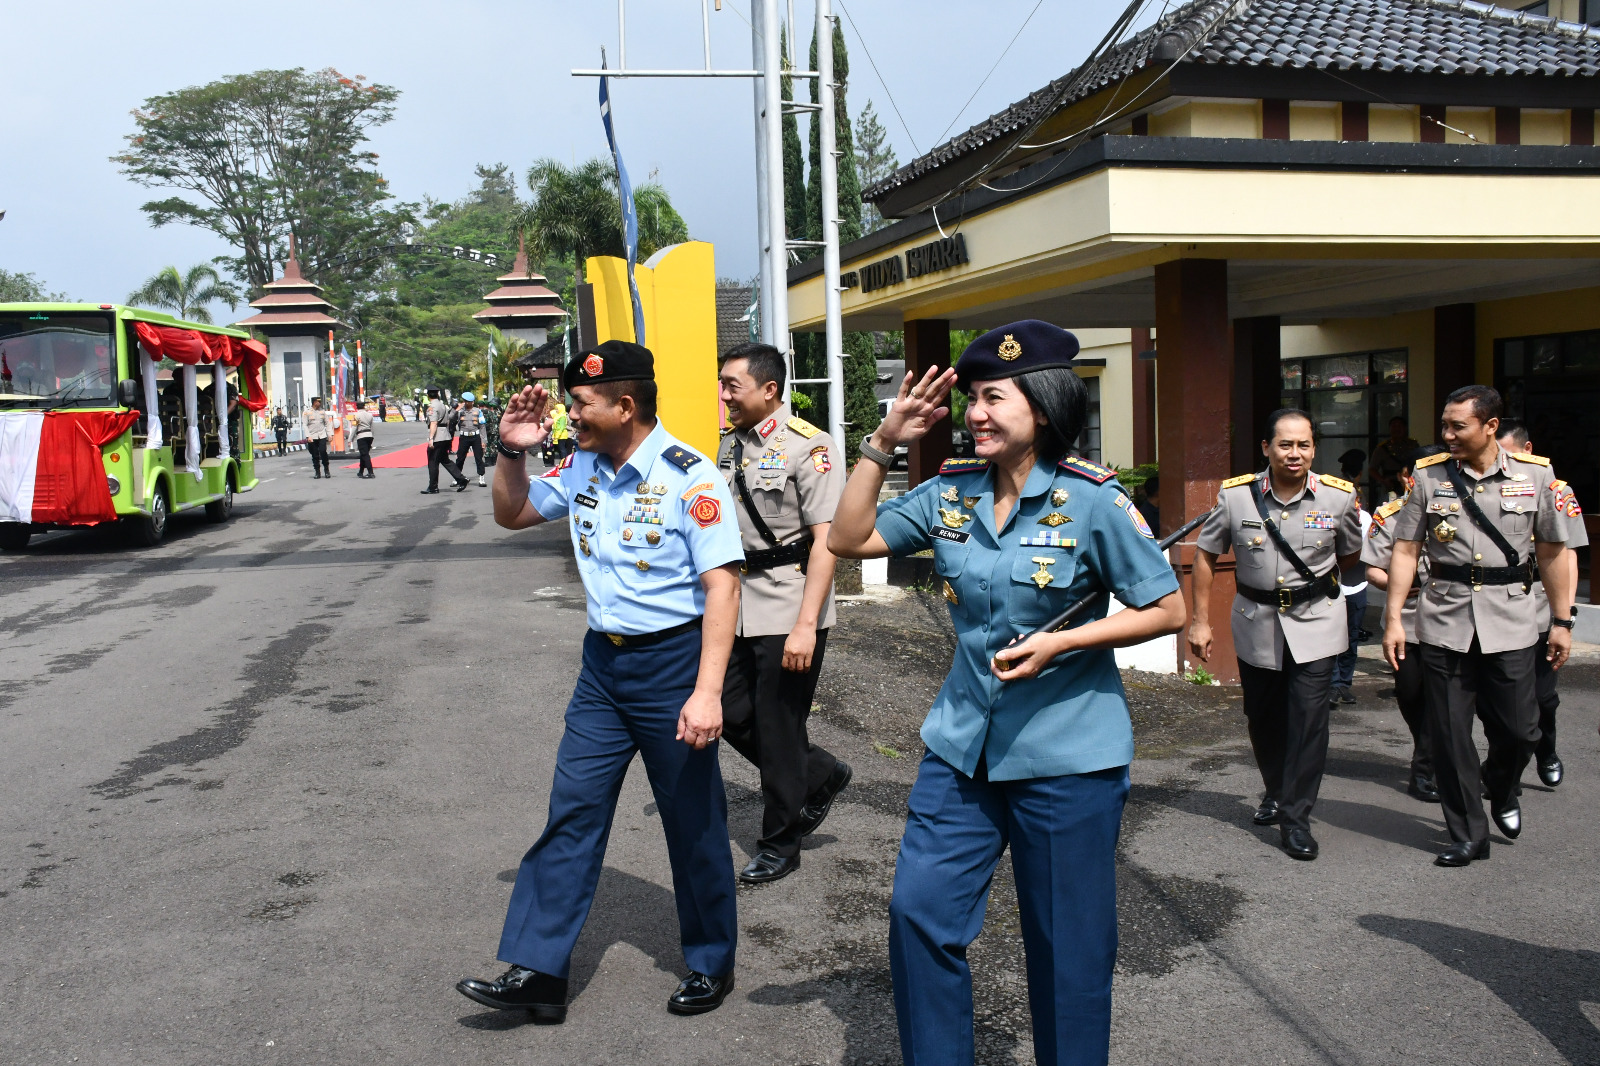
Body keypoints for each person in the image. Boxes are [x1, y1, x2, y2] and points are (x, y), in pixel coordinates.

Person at [828, 321, 1187, 1066]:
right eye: (974, 400)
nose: (976, 414)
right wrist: (883, 441)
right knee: (918, 914)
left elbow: (1169, 609)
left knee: (1068, 949)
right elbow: (848, 538)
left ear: (1046, 409)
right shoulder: (950, 493)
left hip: (1066, 758)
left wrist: (1063, 641)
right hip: (962, 747)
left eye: (996, 399)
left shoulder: (1093, 501)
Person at [457, 340, 745, 1021]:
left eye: (581, 404)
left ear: (625, 404)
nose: (570, 414)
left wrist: (707, 693)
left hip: (674, 664)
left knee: (692, 821)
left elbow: (724, 588)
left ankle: (710, 962)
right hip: (603, 669)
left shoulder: (689, 477)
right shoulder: (583, 465)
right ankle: (539, 972)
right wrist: (510, 451)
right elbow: (512, 514)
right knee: (573, 811)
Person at [1381, 385, 1574, 867]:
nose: (1447, 434)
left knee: (1521, 730)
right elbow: (1405, 549)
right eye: (1444, 425)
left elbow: (1551, 552)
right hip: (1444, 619)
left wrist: (1562, 620)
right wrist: (1392, 620)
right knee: (1448, 734)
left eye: (1457, 426)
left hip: (1511, 619)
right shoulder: (1429, 477)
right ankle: (1469, 833)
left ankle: (1503, 789)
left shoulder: (1536, 475)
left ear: (1490, 427)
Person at [1189, 409, 1362, 861]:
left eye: (1304, 445)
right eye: (1285, 445)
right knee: (1264, 719)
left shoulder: (1338, 498)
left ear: (1313, 449)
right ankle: (1277, 789)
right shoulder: (1236, 497)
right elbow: (1206, 556)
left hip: (1318, 621)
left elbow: (1349, 553)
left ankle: (1296, 818)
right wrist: (1200, 620)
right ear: (1267, 448)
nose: (1295, 454)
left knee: (1309, 721)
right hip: (1256, 622)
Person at [714, 342, 852, 885]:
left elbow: (828, 543)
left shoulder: (810, 447)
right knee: (726, 710)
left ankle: (780, 843)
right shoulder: (731, 445)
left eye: (733, 385)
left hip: (790, 603)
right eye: (722, 384)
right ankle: (818, 773)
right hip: (740, 600)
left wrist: (805, 626)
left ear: (770, 389)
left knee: (777, 726)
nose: (724, 395)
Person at [1496, 417, 1587, 788]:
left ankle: (1546, 750)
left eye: (1507, 455)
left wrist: (1563, 617)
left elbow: (1567, 557)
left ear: (1528, 450)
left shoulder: (1554, 490)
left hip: (1539, 607)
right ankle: (1506, 769)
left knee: (1543, 697)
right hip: (1499, 606)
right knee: (1501, 701)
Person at [1363, 444, 1447, 803]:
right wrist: (1396, 584)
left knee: (1447, 697)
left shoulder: (1459, 510)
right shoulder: (1391, 515)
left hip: (1453, 619)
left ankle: (1425, 766)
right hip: (1409, 620)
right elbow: (1372, 570)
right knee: (1411, 692)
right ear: (1404, 476)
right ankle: (1427, 747)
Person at [1329, 448, 1372, 706]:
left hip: (1357, 586)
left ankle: (1345, 683)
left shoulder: (1367, 519)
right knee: (1333, 638)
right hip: (1333, 588)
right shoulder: (1325, 520)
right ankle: (1333, 684)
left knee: (1351, 639)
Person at [422, 388, 468, 495]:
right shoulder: (443, 405)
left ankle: (433, 486)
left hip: (438, 436)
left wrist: (431, 438)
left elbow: (433, 423)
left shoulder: (432, 406)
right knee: (445, 460)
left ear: (428, 395)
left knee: (433, 461)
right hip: (445, 435)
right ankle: (461, 479)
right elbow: (448, 420)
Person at [1369, 417, 1420, 503]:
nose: (1396, 429)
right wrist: (1383, 480)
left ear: (1405, 428)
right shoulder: (1382, 448)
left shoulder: (1413, 446)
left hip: (1409, 482)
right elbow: (1372, 469)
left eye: (1399, 426)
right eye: (1394, 426)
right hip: (1389, 484)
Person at [455, 392, 488, 487]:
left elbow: (482, 426)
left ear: (472, 402)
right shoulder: (460, 411)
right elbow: (451, 419)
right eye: (464, 401)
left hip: (475, 437)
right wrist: (456, 410)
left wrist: (483, 441)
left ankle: (481, 477)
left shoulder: (478, 411)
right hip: (464, 436)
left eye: (468, 401)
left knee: (479, 457)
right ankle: (457, 477)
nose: (465, 403)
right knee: (460, 457)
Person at [302, 396, 332, 479]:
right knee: (315, 455)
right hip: (312, 436)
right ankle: (317, 472)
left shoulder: (322, 412)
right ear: (314, 402)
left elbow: (327, 423)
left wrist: (330, 434)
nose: (320, 403)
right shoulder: (307, 412)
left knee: (323, 452)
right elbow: (305, 425)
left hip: (322, 435)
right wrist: (308, 436)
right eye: (318, 402)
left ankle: (326, 470)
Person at [350, 402, 375, 478]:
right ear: (364, 407)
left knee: (365, 454)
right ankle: (361, 471)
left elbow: (354, 427)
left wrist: (350, 439)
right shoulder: (370, 415)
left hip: (361, 436)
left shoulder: (356, 416)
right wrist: (372, 436)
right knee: (363, 454)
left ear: (357, 407)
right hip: (369, 435)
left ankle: (370, 472)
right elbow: (372, 427)